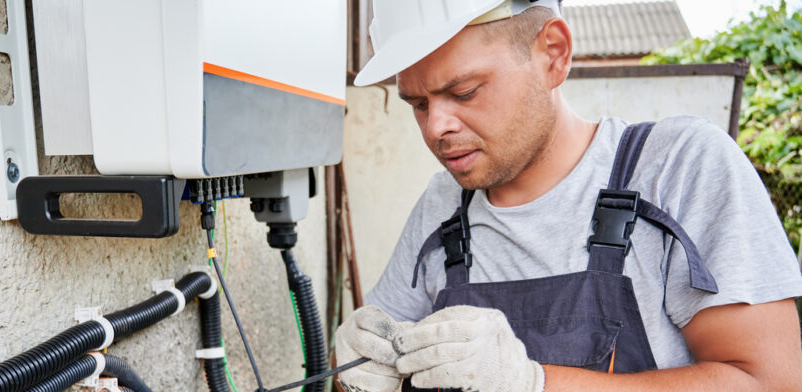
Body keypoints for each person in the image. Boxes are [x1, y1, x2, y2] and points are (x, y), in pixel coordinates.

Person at [335, 0, 802, 391]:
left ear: (553, 54)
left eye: (464, 91)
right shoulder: (442, 207)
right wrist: (358, 366)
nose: (436, 127)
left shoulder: (676, 167)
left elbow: (768, 382)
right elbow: (377, 355)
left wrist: (533, 382)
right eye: (418, 104)